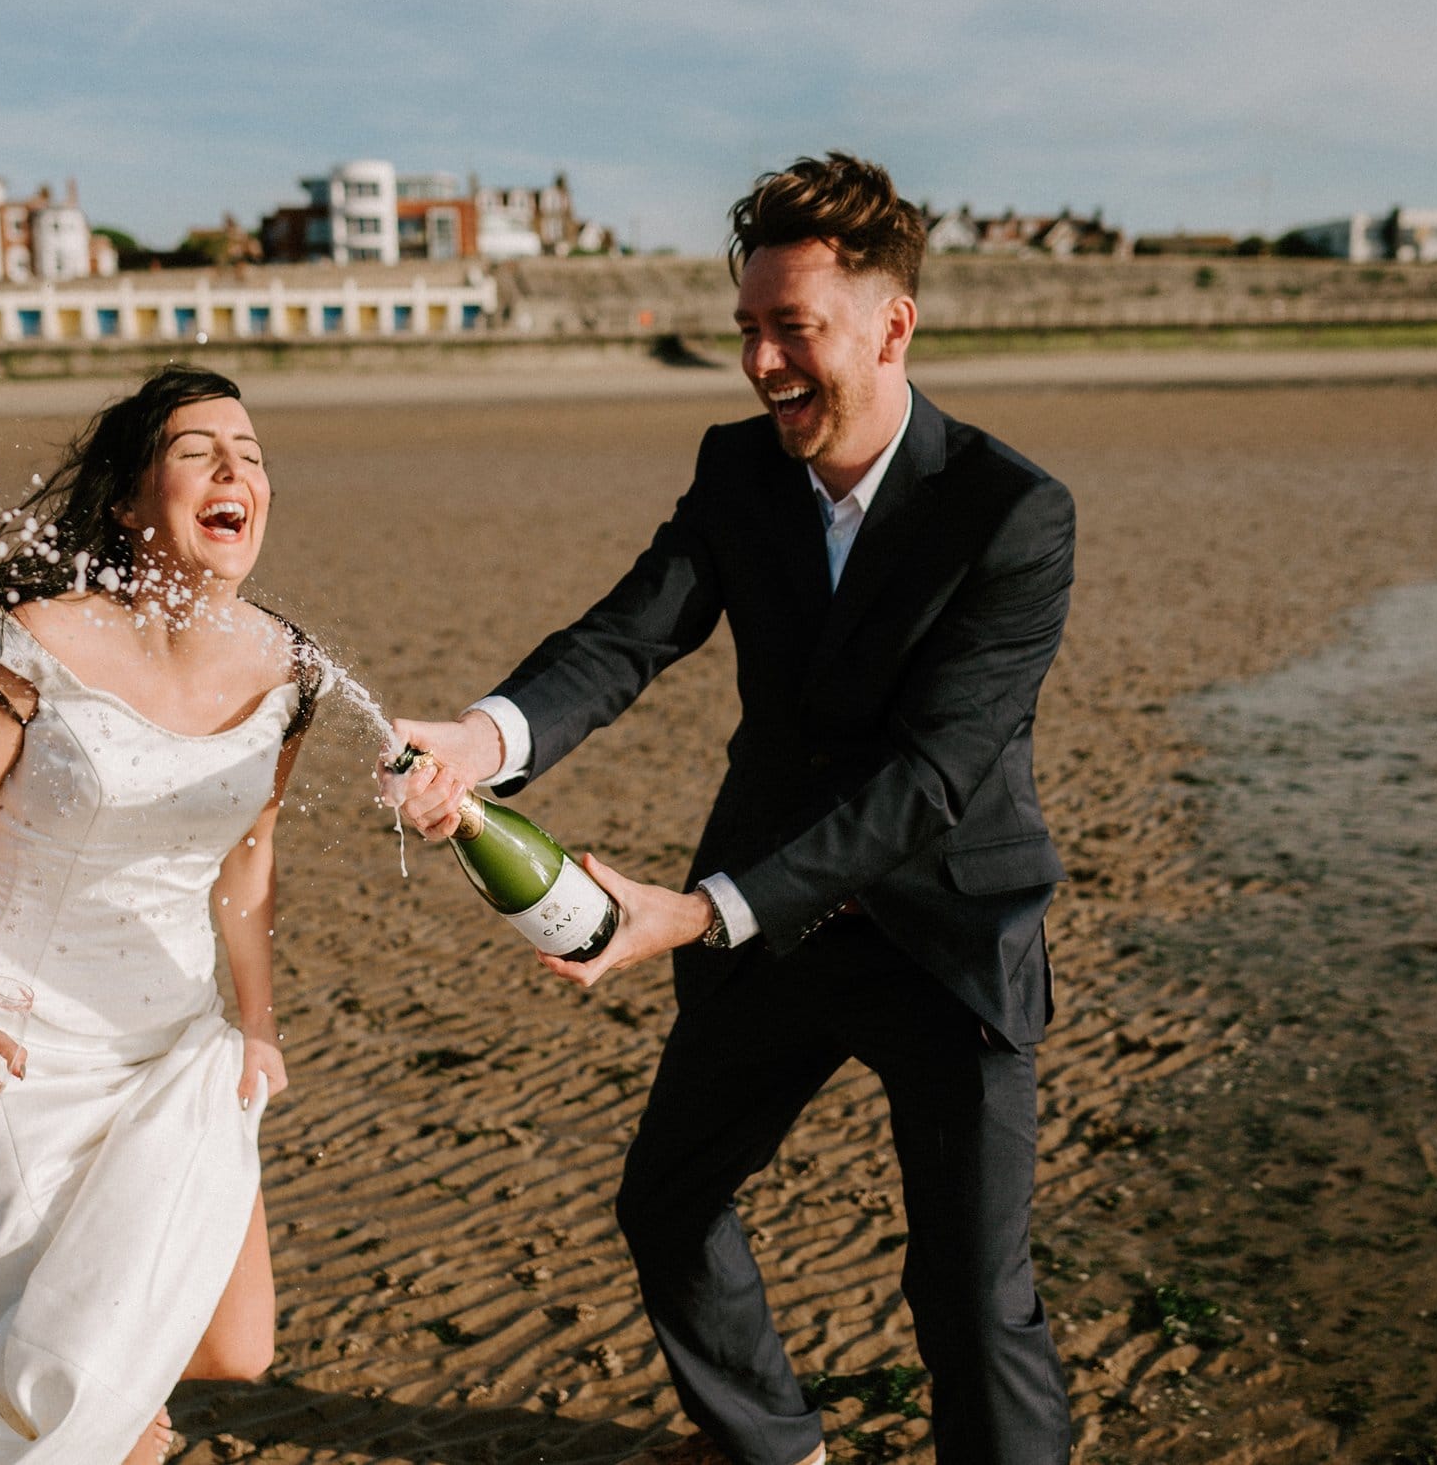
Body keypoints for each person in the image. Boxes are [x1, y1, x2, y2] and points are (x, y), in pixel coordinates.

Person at [389, 154, 1077, 1465]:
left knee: (969, 1298)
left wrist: (699, 911)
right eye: (747, 329)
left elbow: (932, 775)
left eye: (792, 329)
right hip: (771, 933)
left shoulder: (1012, 511)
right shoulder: (736, 471)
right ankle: (777, 1448)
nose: (760, 362)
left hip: (949, 935)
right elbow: (630, 632)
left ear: (893, 325)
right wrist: (484, 738)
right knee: (671, 1202)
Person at [0, 366, 319, 1465]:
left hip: (177, 1047)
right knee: (87, 1383)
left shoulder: (290, 669)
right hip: (13, 1053)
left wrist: (255, 1022)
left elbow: (247, 867)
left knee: (232, 1347)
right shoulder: (24, 645)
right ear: (128, 500)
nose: (235, 470)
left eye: (252, 454)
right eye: (197, 450)